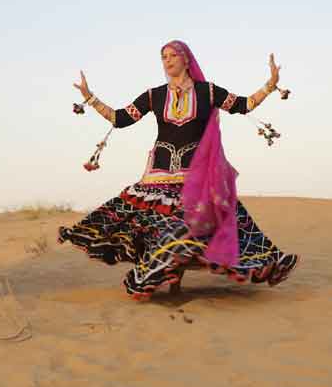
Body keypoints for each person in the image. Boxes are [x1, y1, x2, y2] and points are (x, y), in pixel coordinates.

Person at [58, 40, 298, 299]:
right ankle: (168, 280)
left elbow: (244, 105)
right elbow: (120, 118)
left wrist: (270, 84)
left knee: (195, 226)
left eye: (173, 55)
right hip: (157, 177)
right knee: (158, 227)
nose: (168, 60)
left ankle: (166, 277)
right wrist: (89, 96)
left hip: (197, 177)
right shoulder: (154, 95)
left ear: (187, 60)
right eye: (164, 56)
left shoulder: (208, 91)